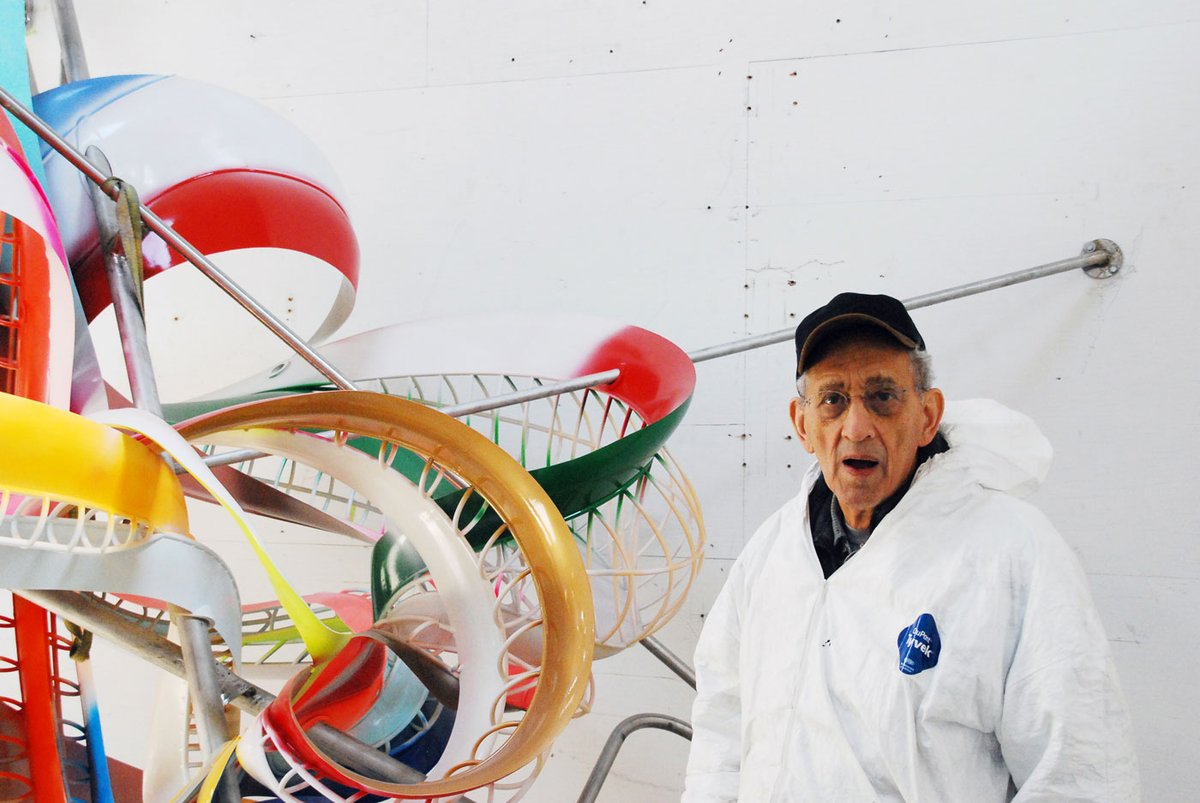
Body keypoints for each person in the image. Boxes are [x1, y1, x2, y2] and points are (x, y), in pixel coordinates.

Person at [682, 292, 1139, 802]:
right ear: (802, 424)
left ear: (927, 415)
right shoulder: (771, 553)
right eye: (833, 400)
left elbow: (1080, 771)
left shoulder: (1011, 550)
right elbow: (721, 728)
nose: (857, 428)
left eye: (882, 397)